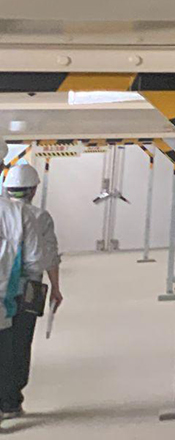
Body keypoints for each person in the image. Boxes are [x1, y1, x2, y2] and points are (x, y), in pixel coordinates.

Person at [0, 163, 59, 419]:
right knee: (20, 344)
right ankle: (11, 401)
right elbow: (44, 257)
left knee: (5, 346)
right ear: (33, 190)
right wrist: (56, 287)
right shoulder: (35, 216)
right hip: (25, 291)